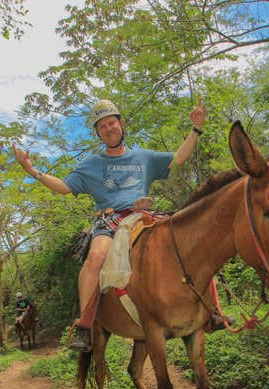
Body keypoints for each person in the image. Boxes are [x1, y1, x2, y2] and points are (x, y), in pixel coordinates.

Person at [12, 98, 228, 351]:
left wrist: (196, 129)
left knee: (188, 243)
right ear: (97, 133)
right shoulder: (91, 165)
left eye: (111, 122)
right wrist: (32, 171)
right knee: (96, 257)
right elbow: (63, 187)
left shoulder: (144, 157)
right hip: (111, 219)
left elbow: (179, 158)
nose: (108, 128)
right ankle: (85, 324)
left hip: (146, 215)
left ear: (121, 124)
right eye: (101, 126)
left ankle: (213, 311)